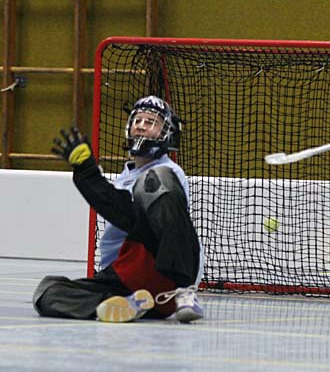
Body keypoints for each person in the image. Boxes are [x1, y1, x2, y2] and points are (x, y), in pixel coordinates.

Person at [33, 95, 205, 323]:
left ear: (167, 133)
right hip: (126, 278)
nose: (141, 126)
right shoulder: (125, 177)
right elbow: (120, 210)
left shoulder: (168, 172)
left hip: (164, 271)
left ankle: (185, 293)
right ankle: (125, 304)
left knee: (154, 179)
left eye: (151, 122)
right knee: (47, 291)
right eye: (137, 121)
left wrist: (90, 177)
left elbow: (131, 217)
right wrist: (86, 173)